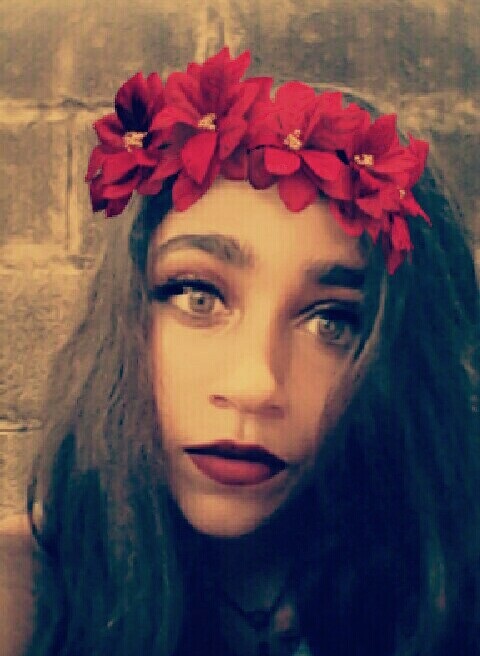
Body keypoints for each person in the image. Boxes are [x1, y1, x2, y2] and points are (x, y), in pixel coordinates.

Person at [1, 47, 478, 656]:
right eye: (197, 295)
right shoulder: (27, 595)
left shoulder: (448, 586)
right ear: (126, 310)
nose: (257, 386)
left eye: (332, 320)